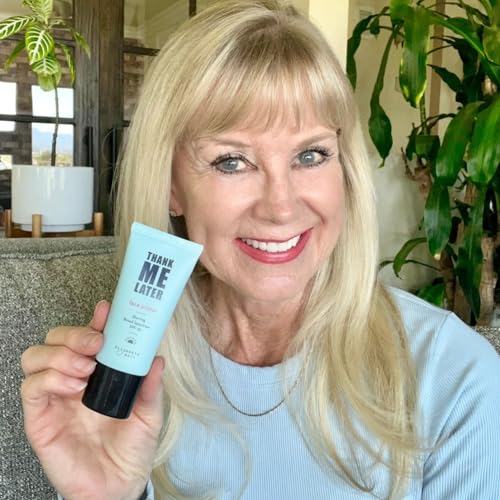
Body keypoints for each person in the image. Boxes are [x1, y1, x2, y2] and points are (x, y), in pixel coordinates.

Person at [20, 1, 500, 499]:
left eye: (310, 155)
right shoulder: (124, 375)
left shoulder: (455, 377)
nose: (280, 207)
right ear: (170, 186)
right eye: (231, 161)